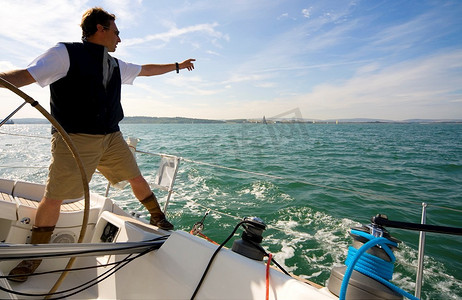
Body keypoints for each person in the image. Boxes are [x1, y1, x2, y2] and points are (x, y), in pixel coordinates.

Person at [0, 7, 195, 282]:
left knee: (136, 176)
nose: (119, 39)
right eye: (116, 32)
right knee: (55, 196)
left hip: (111, 137)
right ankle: (33, 255)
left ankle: (158, 219)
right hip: (75, 139)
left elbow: (146, 70)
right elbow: (26, 76)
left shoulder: (115, 64)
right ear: (100, 30)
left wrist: (176, 66)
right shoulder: (64, 53)